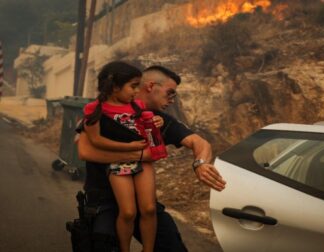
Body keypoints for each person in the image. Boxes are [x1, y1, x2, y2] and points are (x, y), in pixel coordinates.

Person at [77, 65, 226, 251]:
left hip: (144, 203)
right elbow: (85, 151)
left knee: (171, 245)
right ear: (150, 86)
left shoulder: (159, 119)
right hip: (103, 202)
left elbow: (200, 142)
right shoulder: (104, 111)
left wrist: (200, 164)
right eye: (169, 93)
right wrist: (139, 154)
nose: (172, 100)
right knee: (103, 244)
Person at [83, 61, 166, 252]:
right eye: (133, 86)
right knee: (128, 212)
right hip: (118, 162)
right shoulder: (94, 109)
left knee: (149, 209)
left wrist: (156, 121)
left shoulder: (137, 105)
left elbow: (146, 128)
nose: (137, 91)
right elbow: (96, 141)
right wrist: (127, 147)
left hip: (142, 162)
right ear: (115, 86)